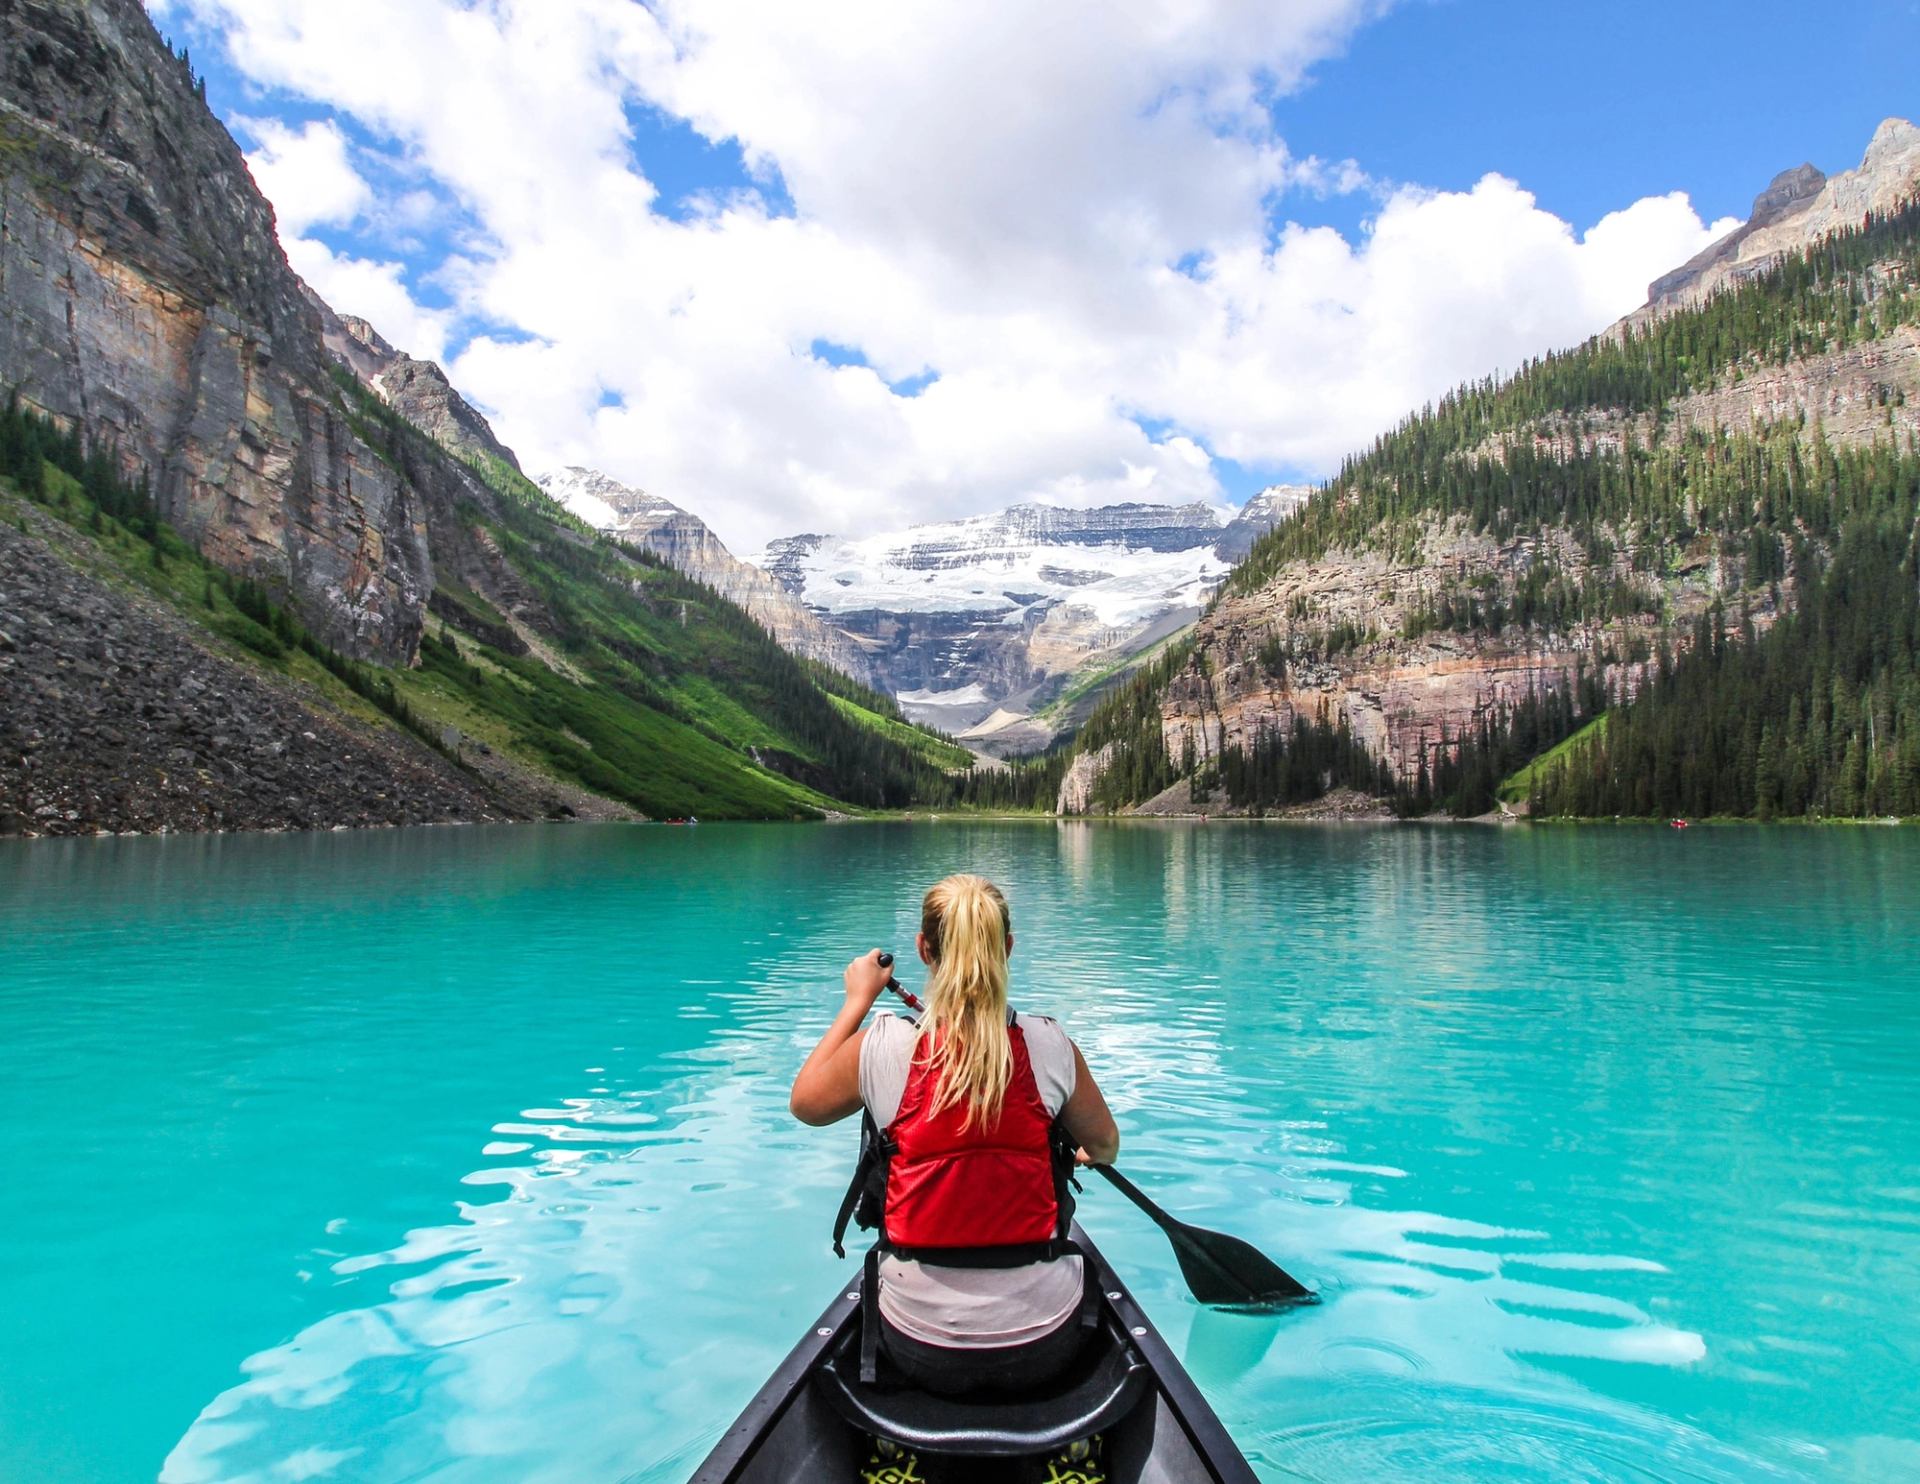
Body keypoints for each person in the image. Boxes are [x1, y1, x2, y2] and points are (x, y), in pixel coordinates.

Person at [790, 873, 1121, 1396]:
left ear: (924, 950)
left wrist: (858, 1000)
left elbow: (805, 1103)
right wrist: (1080, 1150)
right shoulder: (1050, 1044)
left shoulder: (881, 1046)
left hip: (916, 1345)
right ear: (1007, 949)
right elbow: (1106, 1147)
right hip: (1045, 1343)